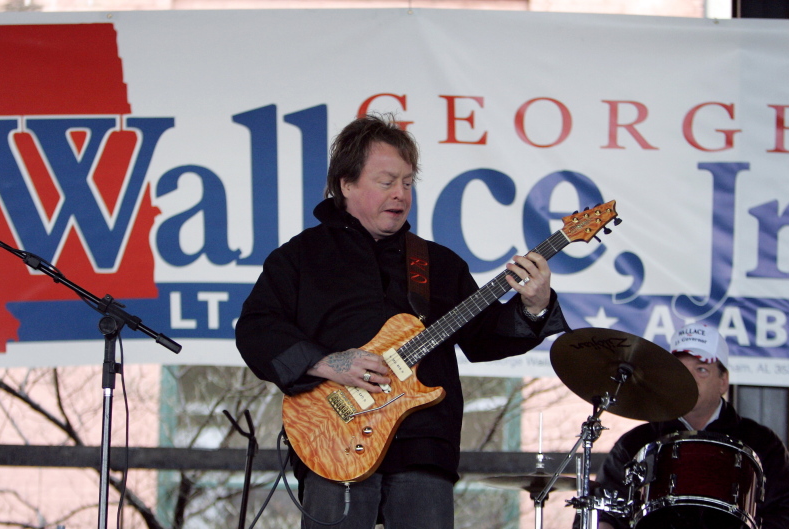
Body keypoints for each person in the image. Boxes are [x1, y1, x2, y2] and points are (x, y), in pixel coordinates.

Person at [235, 113, 568, 528]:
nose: (401, 194)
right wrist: (328, 363)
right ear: (347, 184)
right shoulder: (300, 257)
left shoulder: (438, 264)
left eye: (408, 183)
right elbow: (255, 328)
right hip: (333, 437)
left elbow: (483, 339)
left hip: (423, 444)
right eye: (386, 181)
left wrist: (533, 306)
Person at [593, 323, 789, 529]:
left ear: (723, 380)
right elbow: (600, 510)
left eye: (701, 369)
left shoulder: (761, 442)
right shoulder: (636, 444)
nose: (689, 378)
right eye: (679, 369)